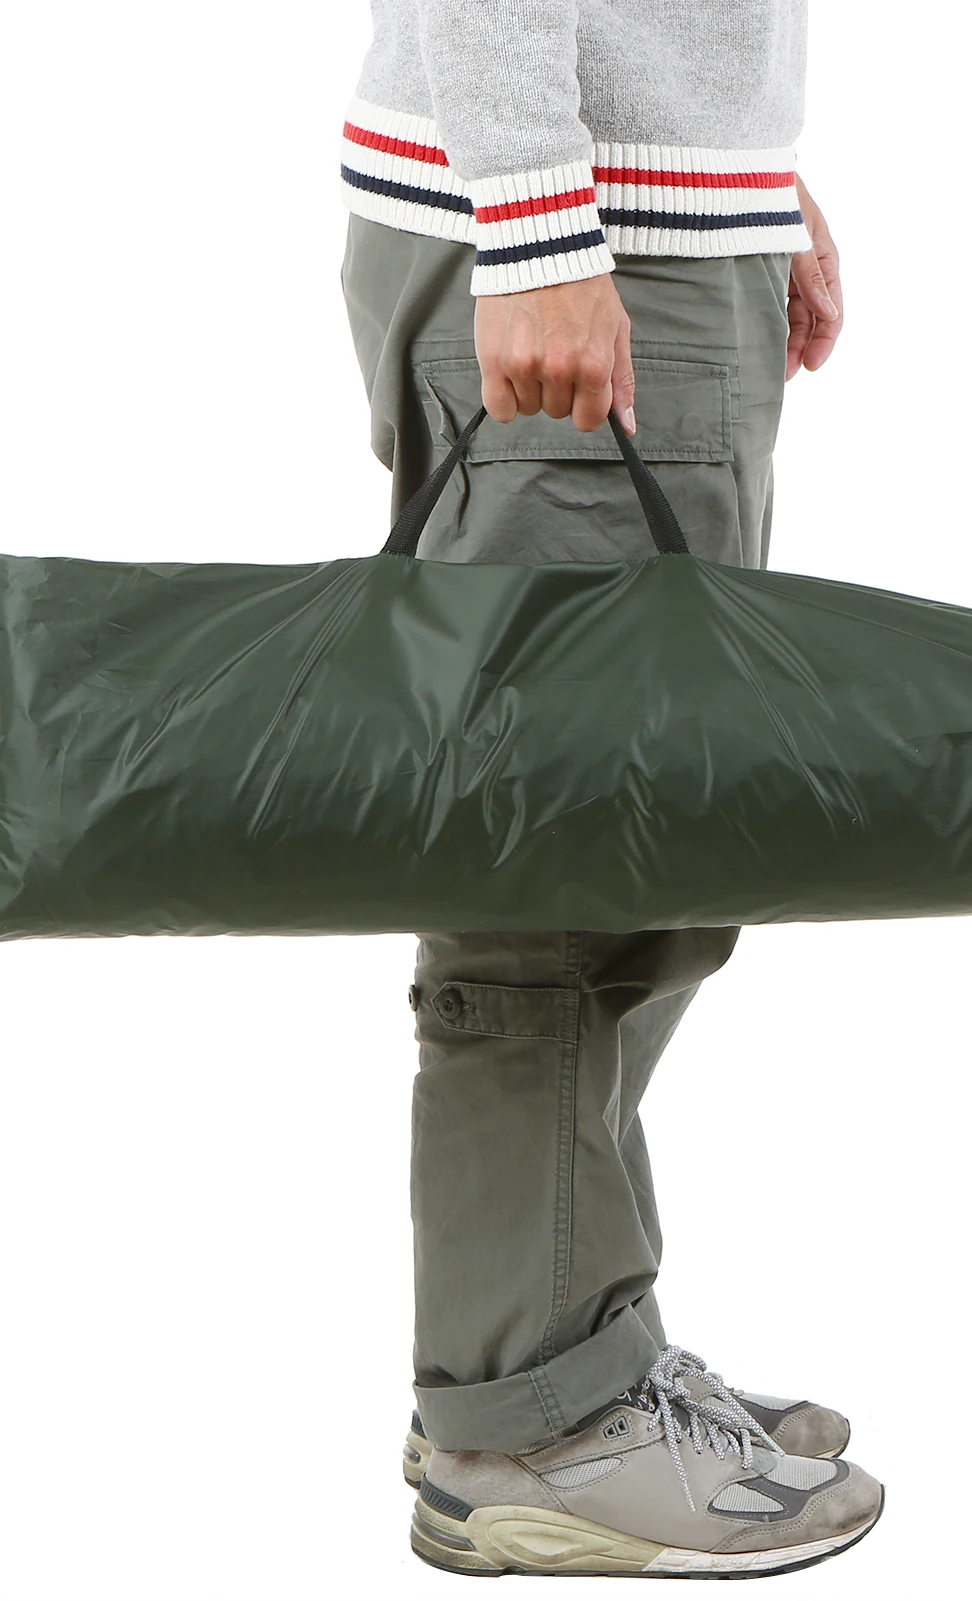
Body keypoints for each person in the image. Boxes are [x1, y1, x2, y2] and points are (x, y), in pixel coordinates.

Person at [338, 1, 883, 1578]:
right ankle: (531, 1424)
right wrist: (538, 216)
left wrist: (747, 173)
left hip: (630, 203)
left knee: (631, 853)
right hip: (582, 226)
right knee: (563, 866)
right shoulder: (550, 220)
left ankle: (580, 1358)